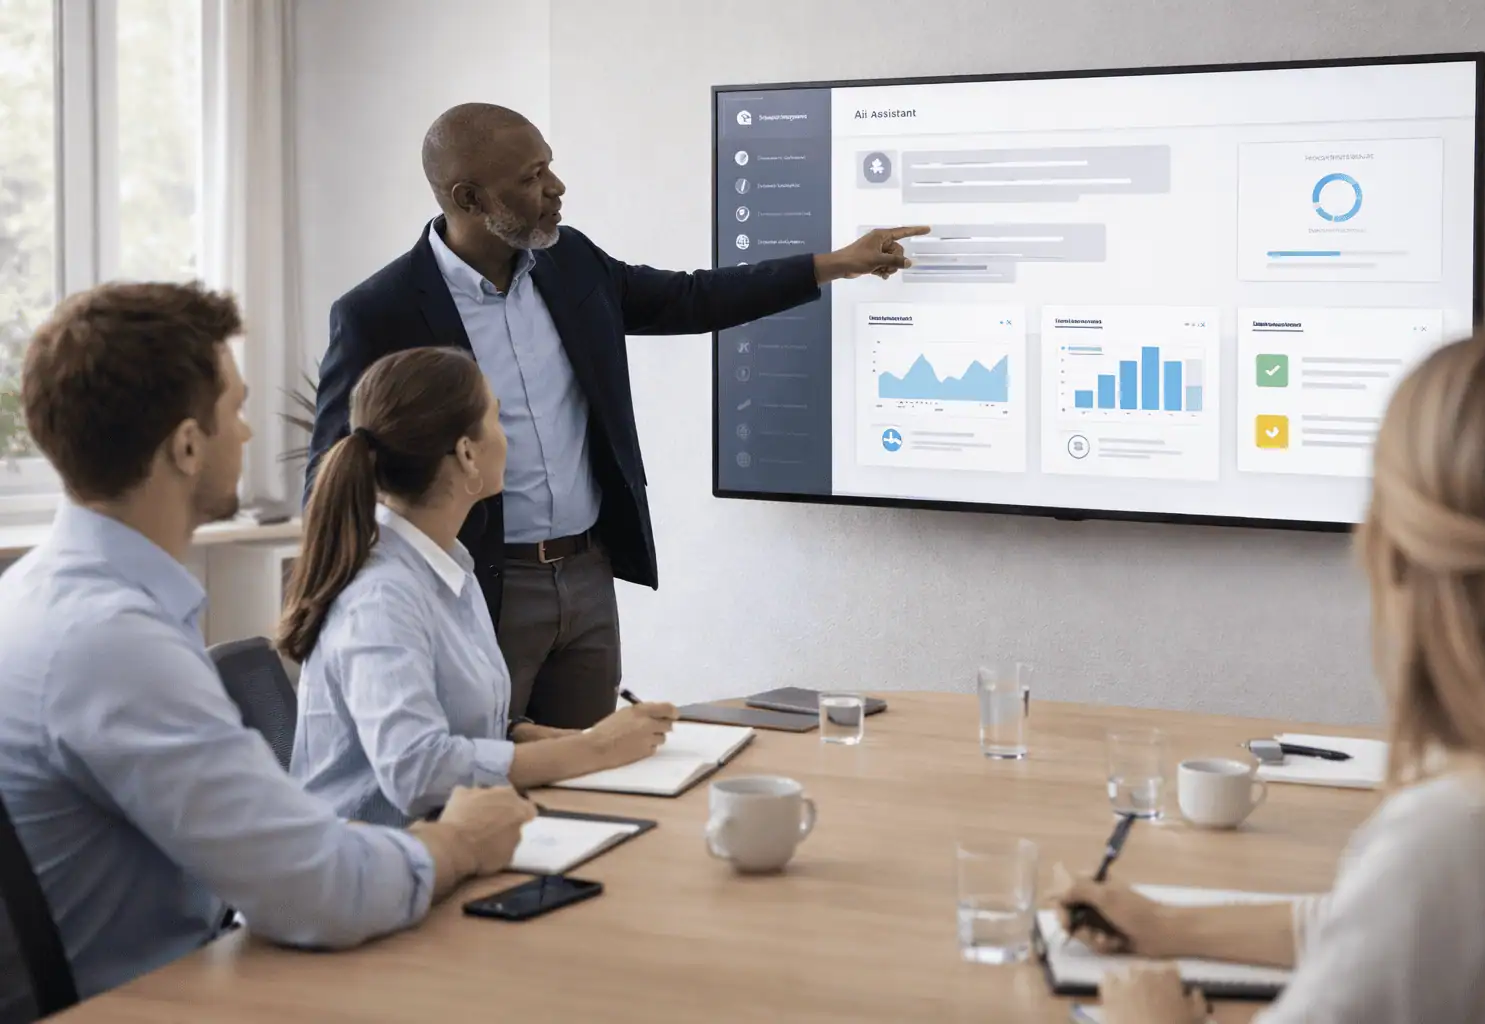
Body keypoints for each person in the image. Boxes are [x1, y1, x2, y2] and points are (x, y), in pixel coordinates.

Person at [305, 102, 927, 729]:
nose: (556, 187)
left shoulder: (571, 262)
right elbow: (329, 479)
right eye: (530, 176)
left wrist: (834, 263)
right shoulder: (378, 313)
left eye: (549, 166)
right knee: (478, 783)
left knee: (590, 776)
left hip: (587, 574)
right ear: (469, 198)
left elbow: (689, 298)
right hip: (476, 585)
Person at [0, 282, 536, 1003]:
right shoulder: (114, 645)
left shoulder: (39, 596)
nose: (248, 434)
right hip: (163, 997)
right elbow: (320, 889)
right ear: (188, 445)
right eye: (236, 410)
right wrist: (462, 841)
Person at [1051, 330, 1485, 1024]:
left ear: (1394, 552)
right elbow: (1372, 930)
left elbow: (1407, 907)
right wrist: (1166, 926)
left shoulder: (1461, 832)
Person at [281, 347, 680, 825]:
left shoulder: (446, 564)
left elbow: (448, 718)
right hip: (375, 870)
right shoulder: (382, 597)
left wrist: (521, 736)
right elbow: (417, 771)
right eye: (497, 418)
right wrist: (594, 748)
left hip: (450, 845)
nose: (508, 438)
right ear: (468, 454)